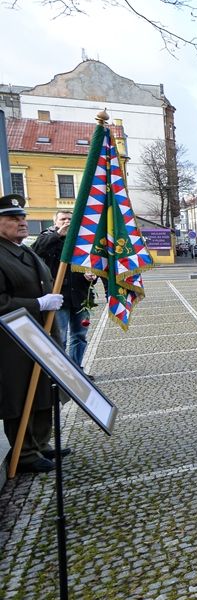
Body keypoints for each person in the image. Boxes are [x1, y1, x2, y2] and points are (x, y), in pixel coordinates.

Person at [0, 194, 65, 474]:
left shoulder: (23, 250)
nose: (21, 222)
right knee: (19, 393)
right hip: (13, 340)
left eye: (22, 217)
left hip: (39, 333)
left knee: (42, 389)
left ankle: (40, 442)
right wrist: (37, 304)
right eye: (13, 218)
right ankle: (24, 453)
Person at [32, 210, 98, 376]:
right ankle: (60, 373)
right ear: (55, 222)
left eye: (70, 219)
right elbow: (36, 250)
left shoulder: (81, 240)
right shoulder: (47, 237)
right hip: (58, 297)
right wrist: (58, 235)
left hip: (81, 296)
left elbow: (90, 263)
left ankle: (76, 371)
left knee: (79, 336)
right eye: (63, 219)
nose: (67, 222)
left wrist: (91, 276)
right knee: (59, 337)